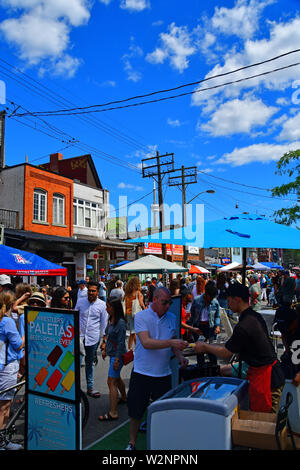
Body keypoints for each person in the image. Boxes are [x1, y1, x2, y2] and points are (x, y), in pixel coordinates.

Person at [194, 283, 285, 413]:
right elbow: (231, 345)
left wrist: (205, 346)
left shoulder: (245, 324)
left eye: (229, 300)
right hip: (265, 374)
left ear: (237, 299)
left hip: (267, 379)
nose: (227, 303)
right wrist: (210, 345)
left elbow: (226, 352)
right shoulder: (253, 316)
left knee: (266, 424)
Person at [126, 287, 188, 451]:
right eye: (164, 302)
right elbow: (146, 343)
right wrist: (171, 343)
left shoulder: (172, 318)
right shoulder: (142, 316)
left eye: (169, 302)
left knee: (163, 411)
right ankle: (132, 443)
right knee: (136, 411)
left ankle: (162, 440)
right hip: (142, 372)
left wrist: (180, 356)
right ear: (155, 300)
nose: (167, 306)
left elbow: (173, 340)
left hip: (163, 374)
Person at [0, 291, 25, 450]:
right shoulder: (6, 321)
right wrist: (28, 329)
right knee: (4, 406)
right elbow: (18, 344)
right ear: (11, 304)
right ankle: (1, 441)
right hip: (7, 366)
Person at [75, 281, 108, 398]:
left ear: (98, 292)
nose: (91, 293)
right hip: (79, 338)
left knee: (89, 363)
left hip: (93, 338)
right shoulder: (80, 302)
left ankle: (90, 388)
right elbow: (75, 316)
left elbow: (104, 324)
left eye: (93, 291)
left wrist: (104, 340)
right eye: (89, 290)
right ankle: (73, 389)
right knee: (75, 363)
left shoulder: (102, 305)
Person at [98, 297, 127, 421]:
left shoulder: (120, 323)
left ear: (114, 308)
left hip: (117, 356)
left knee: (111, 382)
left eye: (108, 306)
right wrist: (105, 347)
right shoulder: (112, 319)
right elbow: (108, 335)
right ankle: (124, 398)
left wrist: (117, 359)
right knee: (117, 378)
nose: (106, 308)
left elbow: (121, 343)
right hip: (113, 354)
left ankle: (113, 412)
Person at [190, 281, 221, 366]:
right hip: (198, 328)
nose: (211, 300)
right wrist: (190, 328)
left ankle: (214, 369)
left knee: (211, 350)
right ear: (206, 295)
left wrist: (217, 326)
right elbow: (192, 315)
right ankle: (201, 370)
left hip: (210, 328)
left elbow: (217, 316)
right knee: (200, 351)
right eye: (210, 298)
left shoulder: (215, 302)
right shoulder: (197, 301)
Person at [124, 277, 145, 351]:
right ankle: (130, 348)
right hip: (136, 314)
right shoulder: (138, 293)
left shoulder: (127, 293)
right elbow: (141, 304)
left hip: (129, 314)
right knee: (133, 332)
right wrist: (145, 311)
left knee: (134, 331)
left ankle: (136, 347)